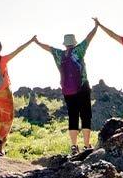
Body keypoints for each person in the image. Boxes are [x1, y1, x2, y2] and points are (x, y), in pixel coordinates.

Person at [34, 22, 99, 155]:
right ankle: (87, 145)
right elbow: (89, 37)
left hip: (67, 90)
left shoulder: (59, 54)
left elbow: (48, 47)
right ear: (74, 43)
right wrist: (96, 26)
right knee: (86, 114)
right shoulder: (79, 50)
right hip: (82, 87)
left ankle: (74, 146)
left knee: (73, 115)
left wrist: (36, 42)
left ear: (65, 44)